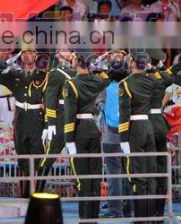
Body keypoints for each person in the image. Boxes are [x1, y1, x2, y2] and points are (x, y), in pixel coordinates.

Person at [0, 43, 48, 198]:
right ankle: (25, 194)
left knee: (38, 155)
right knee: (22, 156)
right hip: (20, 119)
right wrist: (8, 60)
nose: (28, 55)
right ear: (21, 56)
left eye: (31, 52)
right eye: (24, 52)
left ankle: (38, 193)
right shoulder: (15, 75)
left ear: (36, 55)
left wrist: (47, 124)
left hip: (37, 119)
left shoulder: (43, 75)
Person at [146, 49, 181, 217]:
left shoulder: (138, 80)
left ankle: (149, 209)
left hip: (147, 125)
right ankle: (159, 211)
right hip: (162, 125)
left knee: (149, 168)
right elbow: (173, 70)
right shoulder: (166, 77)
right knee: (161, 166)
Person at [64, 52, 110, 220]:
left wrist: (68, 139)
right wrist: (97, 69)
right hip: (92, 129)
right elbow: (106, 79)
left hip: (78, 131)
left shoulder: (71, 84)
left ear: (76, 62)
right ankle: (94, 218)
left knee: (82, 179)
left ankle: (85, 220)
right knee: (94, 177)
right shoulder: (95, 81)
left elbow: (69, 113)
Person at [118, 49, 157, 220]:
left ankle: (141, 218)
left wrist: (123, 138)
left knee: (137, 175)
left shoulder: (125, 83)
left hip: (134, 128)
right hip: (149, 125)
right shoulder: (152, 82)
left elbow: (124, 112)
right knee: (150, 174)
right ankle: (150, 216)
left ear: (133, 62)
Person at [36, 49, 77, 192]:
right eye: (65, 50)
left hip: (75, 118)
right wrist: (50, 123)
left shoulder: (78, 72)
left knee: (77, 157)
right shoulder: (55, 74)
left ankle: (82, 192)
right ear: (58, 55)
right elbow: (50, 99)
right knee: (50, 156)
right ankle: (38, 190)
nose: (69, 53)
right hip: (60, 120)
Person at [98, 51, 129, 219]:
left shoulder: (105, 89)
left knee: (114, 173)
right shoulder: (130, 87)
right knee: (128, 172)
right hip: (128, 135)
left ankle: (115, 210)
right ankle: (128, 207)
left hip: (110, 136)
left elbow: (97, 104)